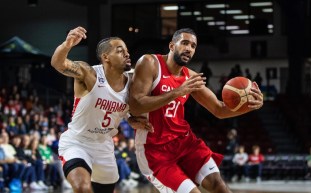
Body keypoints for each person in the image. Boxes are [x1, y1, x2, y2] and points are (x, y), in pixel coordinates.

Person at [129, 28, 263, 193]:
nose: (189, 49)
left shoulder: (190, 77)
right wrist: (177, 92)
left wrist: (250, 106)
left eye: (193, 46)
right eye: (184, 43)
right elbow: (136, 104)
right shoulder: (150, 63)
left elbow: (219, 109)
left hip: (185, 142)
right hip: (155, 150)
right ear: (172, 45)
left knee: (218, 185)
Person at [51, 26, 153, 193]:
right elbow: (58, 63)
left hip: (104, 146)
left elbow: (121, 108)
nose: (127, 54)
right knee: (83, 188)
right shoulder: (88, 73)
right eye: (120, 51)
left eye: (127, 50)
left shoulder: (133, 83)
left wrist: (130, 118)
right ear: (106, 57)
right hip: (77, 142)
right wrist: (67, 44)